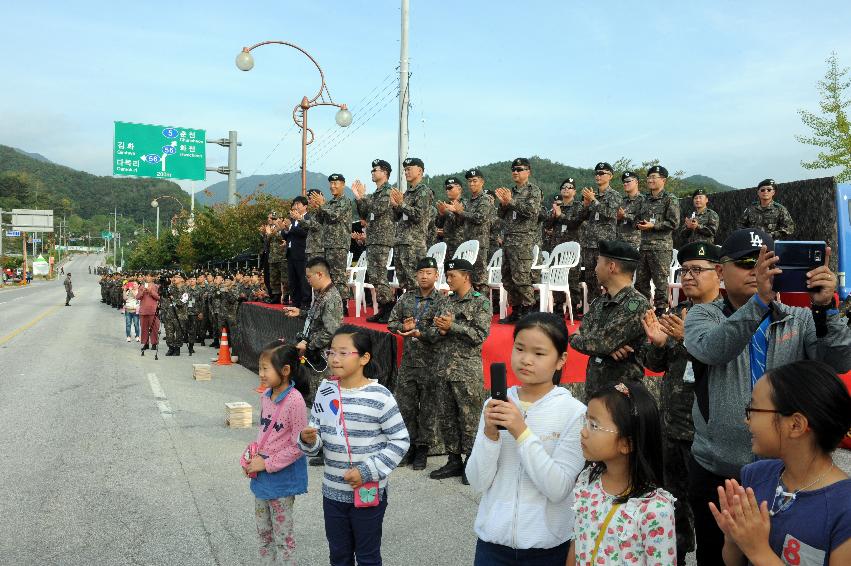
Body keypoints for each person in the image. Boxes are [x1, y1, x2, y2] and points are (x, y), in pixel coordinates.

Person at [683, 228, 851, 565]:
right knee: (717, 557)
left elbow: (837, 363)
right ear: (720, 271)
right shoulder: (704, 315)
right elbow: (715, 349)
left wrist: (825, 310)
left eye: (768, 263)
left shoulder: (798, 317)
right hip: (718, 469)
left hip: (780, 472)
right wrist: (759, 301)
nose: (758, 272)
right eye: (748, 263)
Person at [466, 312, 586, 565]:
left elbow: (558, 489)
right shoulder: (496, 404)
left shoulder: (574, 413)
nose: (526, 360)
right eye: (519, 349)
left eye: (539, 353)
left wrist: (521, 433)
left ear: (560, 360)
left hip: (546, 548)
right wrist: (489, 436)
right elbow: (477, 481)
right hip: (492, 545)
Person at [709, 360, 851, 565]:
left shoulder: (843, 508)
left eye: (754, 409)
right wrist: (733, 538)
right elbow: (733, 562)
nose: (747, 420)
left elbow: (756, 554)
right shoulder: (755, 475)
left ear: (795, 425)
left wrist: (759, 551)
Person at [637, 241, 724, 564]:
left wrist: (689, 337)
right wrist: (658, 343)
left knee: (709, 512)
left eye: (697, 270)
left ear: (718, 273)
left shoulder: (727, 318)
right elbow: (656, 365)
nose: (688, 276)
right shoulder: (674, 313)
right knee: (672, 506)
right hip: (672, 426)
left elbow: (719, 359)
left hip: (706, 432)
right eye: (684, 270)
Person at [298, 326, 410, 566]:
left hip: (368, 493)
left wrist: (366, 471)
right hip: (332, 492)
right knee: (339, 554)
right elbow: (317, 439)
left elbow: (400, 440)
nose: (334, 358)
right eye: (331, 352)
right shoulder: (325, 391)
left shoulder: (380, 395)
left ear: (364, 358)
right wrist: (308, 441)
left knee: (368, 556)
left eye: (343, 352)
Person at [567, 381, 676, 565]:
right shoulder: (587, 481)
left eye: (594, 425)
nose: (584, 432)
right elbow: (577, 541)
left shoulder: (654, 510)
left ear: (626, 444)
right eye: (586, 421)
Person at [245, 341, 310, 566]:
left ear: (285, 371)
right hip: (262, 479)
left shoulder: (295, 401)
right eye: (260, 368)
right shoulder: (266, 396)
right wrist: (252, 455)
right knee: (264, 535)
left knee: (283, 539)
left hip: (281, 482)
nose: (260, 373)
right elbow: (265, 431)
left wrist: (267, 464)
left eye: (265, 368)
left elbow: (299, 446)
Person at [429, 259, 492, 483]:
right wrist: (438, 330)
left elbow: (479, 335)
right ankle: (453, 460)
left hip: (466, 371)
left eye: (452, 275)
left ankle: (472, 463)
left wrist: (452, 327)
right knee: (447, 417)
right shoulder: (446, 301)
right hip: (443, 368)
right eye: (447, 275)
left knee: (470, 419)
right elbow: (433, 331)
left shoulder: (480, 302)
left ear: (466, 276)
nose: (448, 279)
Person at [569, 240, 649, 403]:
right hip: (594, 390)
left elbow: (601, 342)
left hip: (621, 395)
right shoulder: (599, 302)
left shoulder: (636, 304)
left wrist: (600, 344)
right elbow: (585, 338)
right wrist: (603, 346)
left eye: (598, 262)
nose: (595, 268)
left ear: (611, 267)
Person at [386, 256, 446, 470]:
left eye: (428, 273)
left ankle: (422, 448)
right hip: (409, 363)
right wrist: (402, 327)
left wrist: (420, 333)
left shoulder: (442, 301)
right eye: (420, 272)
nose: (424, 276)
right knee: (405, 407)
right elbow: (391, 323)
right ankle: (407, 447)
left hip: (431, 363)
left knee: (428, 408)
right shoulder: (407, 298)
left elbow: (440, 332)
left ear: (436, 275)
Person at [283, 257, 343, 426]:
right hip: (313, 354)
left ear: (320, 274)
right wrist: (300, 313)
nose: (308, 281)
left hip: (322, 358)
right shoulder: (321, 294)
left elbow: (331, 331)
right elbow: (316, 318)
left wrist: (308, 345)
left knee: (321, 401)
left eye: (309, 277)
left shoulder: (331, 297)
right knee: (313, 399)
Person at [495, 157, 543, 323]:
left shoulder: (533, 191)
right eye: (513, 169)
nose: (515, 172)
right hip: (508, 240)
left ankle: (529, 312)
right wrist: (503, 204)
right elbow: (500, 215)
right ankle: (516, 312)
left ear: (528, 171)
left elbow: (531, 212)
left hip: (523, 240)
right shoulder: (510, 191)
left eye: (519, 169)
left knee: (522, 278)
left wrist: (511, 202)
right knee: (507, 278)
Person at [353, 159, 396, 323]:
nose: (372, 172)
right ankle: (384, 307)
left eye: (375, 170)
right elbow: (364, 213)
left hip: (382, 238)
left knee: (380, 275)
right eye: (372, 170)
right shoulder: (375, 194)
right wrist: (358, 198)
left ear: (384, 172)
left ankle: (389, 308)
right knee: (374, 276)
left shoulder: (388, 191)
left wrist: (363, 197)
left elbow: (377, 210)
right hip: (373, 239)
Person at [635, 165, 681, 314]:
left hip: (661, 248)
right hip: (644, 247)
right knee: (641, 283)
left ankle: (661, 313)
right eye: (649, 177)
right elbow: (638, 218)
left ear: (663, 180)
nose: (650, 180)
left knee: (660, 283)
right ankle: (641, 313)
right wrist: (639, 224)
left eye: (654, 177)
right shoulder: (644, 199)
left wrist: (652, 226)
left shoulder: (670, 199)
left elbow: (674, 223)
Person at [311, 174, 353, 315]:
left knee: (338, 276)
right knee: (328, 276)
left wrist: (322, 205)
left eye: (335, 183)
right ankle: (331, 304)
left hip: (339, 244)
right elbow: (319, 220)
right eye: (331, 183)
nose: (332, 186)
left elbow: (335, 216)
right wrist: (318, 207)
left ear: (343, 184)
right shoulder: (328, 203)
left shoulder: (345, 201)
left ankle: (343, 305)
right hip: (327, 244)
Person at [391, 157, 433, 294]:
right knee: (404, 282)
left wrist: (401, 204)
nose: (406, 172)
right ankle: (409, 312)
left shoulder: (423, 191)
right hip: (401, 242)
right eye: (405, 170)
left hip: (413, 244)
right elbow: (397, 217)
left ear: (419, 171)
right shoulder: (408, 193)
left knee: (415, 281)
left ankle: (420, 313)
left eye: (409, 169)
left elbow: (419, 216)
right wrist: (395, 206)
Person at [545, 177, 584, 315]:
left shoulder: (579, 206)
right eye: (563, 187)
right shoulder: (557, 206)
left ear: (574, 191)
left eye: (569, 187)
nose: (566, 189)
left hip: (572, 248)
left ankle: (574, 306)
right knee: (556, 276)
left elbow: (574, 223)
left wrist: (561, 216)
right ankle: (558, 306)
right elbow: (547, 225)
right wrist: (554, 215)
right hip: (557, 246)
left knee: (572, 277)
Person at [460, 168, 495, 294]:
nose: (472, 184)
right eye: (469, 181)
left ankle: (483, 308)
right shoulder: (469, 202)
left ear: (482, 182)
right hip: (468, 243)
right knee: (469, 277)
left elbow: (480, 217)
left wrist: (461, 212)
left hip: (480, 243)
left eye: (475, 181)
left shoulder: (485, 199)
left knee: (480, 278)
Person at [285, 196, 310, 309]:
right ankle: (295, 301)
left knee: (303, 279)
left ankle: (305, 303)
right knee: (293, 279)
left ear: (305, 206)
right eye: (294, 204)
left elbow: (305, 233)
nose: (295, 207)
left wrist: (291, 227)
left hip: (302, 252)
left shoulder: (307, 218)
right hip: (291, 253)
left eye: (298, 204)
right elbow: (287, 236)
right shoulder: (293, 220)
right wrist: (285, 228)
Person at [435, 177, 466, 259]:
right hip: (446, 245)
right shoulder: (445, 205)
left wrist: (447, 212)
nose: (447, 190)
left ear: (459, 189)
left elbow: (459, 222)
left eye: (450, 188)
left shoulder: (465, 204)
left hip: (460, 245)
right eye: (446, 188)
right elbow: (439, 224)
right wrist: (441, 214)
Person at [616, 171, 644, 250]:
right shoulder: (622, 201)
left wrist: (625, 215)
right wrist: (618, 218)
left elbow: (643, 220)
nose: (625, 184)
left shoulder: (643, 200)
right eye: (624, 182)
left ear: (636, 182)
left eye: (628, 181)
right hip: (620, 242)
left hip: (635, 244)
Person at [137, 273, 160, 356]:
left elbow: (158, 297)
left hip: (153, 310)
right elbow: (138, 297)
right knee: (144, 327)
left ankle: (154, 343)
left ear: (153, 278)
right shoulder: (141, 286)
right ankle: (145, 343)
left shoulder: (156, 286)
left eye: (150, 276)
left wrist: (151, 291)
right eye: (146, 276)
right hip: (143, 310)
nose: (148, 277)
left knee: (154, 327)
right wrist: (142, 291)